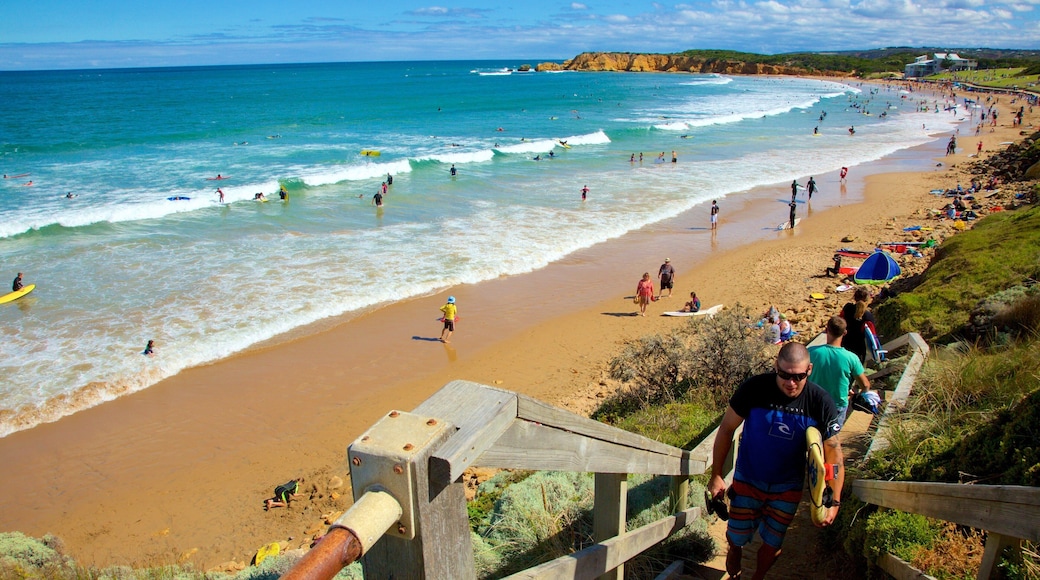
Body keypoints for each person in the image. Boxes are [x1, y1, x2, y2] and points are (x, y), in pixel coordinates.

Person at [708, 343, 843, 580]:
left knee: (772, 543)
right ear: (775, 366)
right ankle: (735, 551)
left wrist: (834, 500)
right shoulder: (754, 388)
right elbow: (727, 428)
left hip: (788, 488)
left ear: (809, 370)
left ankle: (758, 577)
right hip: (748, 480)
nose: (791, 383)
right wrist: (717, 474)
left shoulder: (819, 401)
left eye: (798, 377)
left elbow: (832, 452)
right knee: (736, 536)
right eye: (784, 375)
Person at [809, 316, 872, 426]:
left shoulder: (810, 352)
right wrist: (856, 396)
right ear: (845, 332)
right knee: (832, 438)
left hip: (813, 402)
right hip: (837, 405)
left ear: (826, 330)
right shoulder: (851, 358)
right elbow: (865, 385)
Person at [840, 287, 876, 363]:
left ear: (854, 297)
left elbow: (840, 322)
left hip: (844, 344)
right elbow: (872, 336)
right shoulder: (867, 316)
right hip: (858, 349)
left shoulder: (847, 308)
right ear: (867, 300)